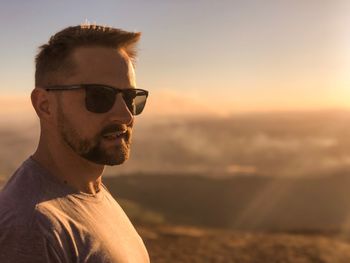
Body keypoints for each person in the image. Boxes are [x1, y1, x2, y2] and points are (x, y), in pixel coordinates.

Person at [0, 24, 150, 262]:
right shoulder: (31, 227)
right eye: (100, 96)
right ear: (44, 105)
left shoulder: (89, 189)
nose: (125, 115)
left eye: (131, 98)